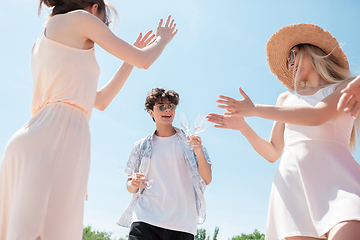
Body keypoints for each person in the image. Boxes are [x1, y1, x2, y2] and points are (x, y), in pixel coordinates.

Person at [0, 0, 178, 239]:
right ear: (95, 8)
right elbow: (143, 60)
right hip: (58, 134)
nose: (104, 26)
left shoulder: (41, 41)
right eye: (106, 21)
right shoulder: (81, 19)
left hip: (35, 135)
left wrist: (130, 61)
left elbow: (100, 100)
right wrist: (163, 39)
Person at [207, 23, 360, 240]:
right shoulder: (285, 99)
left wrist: (255, 110)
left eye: (293, 54)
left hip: (340, 181)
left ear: (313, 51)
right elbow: (272, 152)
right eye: (288, 60)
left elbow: (317, 116)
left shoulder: (344, 87)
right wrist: (243, 127)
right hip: (293, 188)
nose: (290, 63)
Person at [117, 88, 212, 240]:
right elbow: (130, 187)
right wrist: (134, 183)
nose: (167, 110)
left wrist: (199, 153)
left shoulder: (191, 143)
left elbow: (207, 178)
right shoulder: (141, 146)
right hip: (145, 219)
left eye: (171, 106)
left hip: (182, 224)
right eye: (161, 106)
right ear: (151, 112)